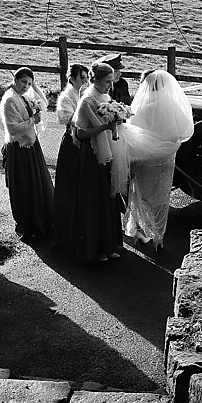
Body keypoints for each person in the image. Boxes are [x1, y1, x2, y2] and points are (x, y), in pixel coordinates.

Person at [121, 70, 194, 250]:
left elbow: (132, 133)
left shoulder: (142, 108)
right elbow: (182, 131)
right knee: (162, 195)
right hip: (166, 158)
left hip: (145, 158)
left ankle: (141, 229)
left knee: (141, 193)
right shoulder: (172, 106)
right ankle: (159, 236)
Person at [66, 62, 125, 262]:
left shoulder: (105, 97)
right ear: (96, 80)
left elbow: (109, 124)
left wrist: (116, 122)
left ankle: (108, 246)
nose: (110, 85)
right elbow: (80, 133)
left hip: (106, 151)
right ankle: (94, 248)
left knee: (106, 198)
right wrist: (105, 127)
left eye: (111, 81)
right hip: (91, 155)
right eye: (107, 81)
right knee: (94, 199)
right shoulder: (87, 101)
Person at [0, 67, 54, 241]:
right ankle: (28, 225)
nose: (26, 86)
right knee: (25, 186)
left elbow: (43, 102)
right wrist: (32, 121)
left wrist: (33, 87)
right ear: (15, 80)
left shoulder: (24, 96)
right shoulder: (9, 100)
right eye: (23, 82)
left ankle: (42, 221)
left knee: (37, 183)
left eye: (29, 83)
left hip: (31, 145)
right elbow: (12, 128)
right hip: (19, 148)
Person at [52, 64, 88, 244]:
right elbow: (64, 119)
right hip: (72, 142)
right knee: (70, 183)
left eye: (86, 77)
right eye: (81, 78)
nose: (85, 81)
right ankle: (67, 228)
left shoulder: (84, 93)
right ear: (72, 79)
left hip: (85, 140)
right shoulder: (67, 96)